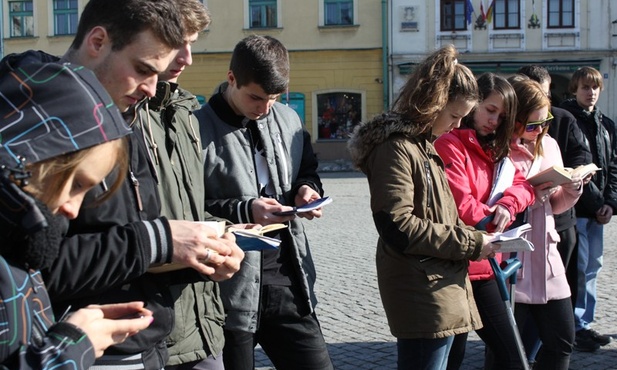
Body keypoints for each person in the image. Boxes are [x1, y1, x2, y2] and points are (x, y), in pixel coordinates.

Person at [0, 1, 245, 369]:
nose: (151, 89)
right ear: (98, 41)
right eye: (143, 69)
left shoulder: (127, 113)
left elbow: (136, 234)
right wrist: (159, 241)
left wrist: (198, 255)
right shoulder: (38, 124)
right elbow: (40, 263)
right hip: (91, 352)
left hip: (145, 343)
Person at [347, 45, 497, 370]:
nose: (457, 126)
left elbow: (441, 217)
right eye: (455, 116)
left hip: (440, 285)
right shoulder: (396, 148)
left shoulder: (423, 146)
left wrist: (475, 238)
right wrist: (471, 242)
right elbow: (398, 225)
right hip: (421, 289)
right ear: (434, 103)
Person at [0, 60, 152, 369]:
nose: (72, 208)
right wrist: (74, 347)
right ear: (26, 157)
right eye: (75, 183)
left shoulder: (21, 240)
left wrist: (74, 330)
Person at [194, 35, 334, 370]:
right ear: (231, 79)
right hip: (229, 292)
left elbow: (307, 170)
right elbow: (189, 208)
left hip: (289, 280)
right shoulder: (195, 129)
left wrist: (306, 190)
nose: (265, 108)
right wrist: (246, 209)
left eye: (274, 98)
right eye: (256, 97)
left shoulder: (288, 119)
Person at [137, 1, 232, 368]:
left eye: (192, 42)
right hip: (147, 325)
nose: (188, 58)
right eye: (177, 43)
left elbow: (190, 210)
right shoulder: (119, 114)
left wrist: (225, 232)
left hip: (201, 323)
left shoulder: (184, 113)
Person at [434, 72, 535, 370]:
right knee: (452, 359)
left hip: (486, 265)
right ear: (473, 104)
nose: (495, 121)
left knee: (513, 356)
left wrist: (508, 203)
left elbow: (523, 185)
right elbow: (461, 204)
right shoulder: (450, 143)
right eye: (490, 110)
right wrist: (495, 223)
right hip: (457, 267)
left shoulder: (497, 149)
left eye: (502, 116)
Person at [516, 65, 593, 361]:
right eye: (532, 125)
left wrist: (572, 189)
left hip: (548, 257)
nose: (539, 132)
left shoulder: (548, 144)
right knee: (511, 354)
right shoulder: (501, 149)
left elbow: (555, 205)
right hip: (516, 260)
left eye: (544, 123)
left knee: (562, 341)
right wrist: (529, 195)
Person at [560, 66, 617, 352]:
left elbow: (613, 166)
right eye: (585, 87)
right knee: (578, 269)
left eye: (594, 87)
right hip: (578, 208)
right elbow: (575, 168)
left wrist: (610, 202)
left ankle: (585, 322)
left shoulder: (606, 123)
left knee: (593, 267)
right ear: (575, 89)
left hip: (598, 210)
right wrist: (597, 204)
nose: (590, 92)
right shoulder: (568, 120)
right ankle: (576, 324)